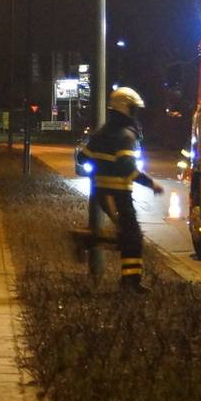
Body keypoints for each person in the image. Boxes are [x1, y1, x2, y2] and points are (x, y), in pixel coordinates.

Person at [79, 87, 164, 293]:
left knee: (128, 235)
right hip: (119, 195)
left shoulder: (102, 132)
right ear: (126, 108)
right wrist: (150, 183)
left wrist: (100, 164)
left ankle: (127, 280)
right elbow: (127, 167)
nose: (136, 113)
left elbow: (82, 158)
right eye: (134, 109)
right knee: (132, 237)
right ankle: (130, 283)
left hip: (102, 192)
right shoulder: (126, 135)